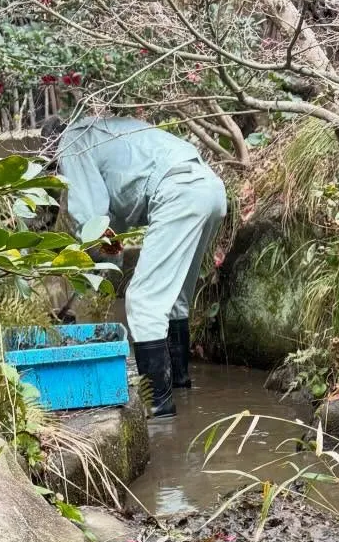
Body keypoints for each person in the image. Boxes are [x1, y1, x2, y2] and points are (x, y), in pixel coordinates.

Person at [47, 113, 227, 416]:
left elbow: (91, 218)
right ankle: (180, 388)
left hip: (177, 193)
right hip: (209, 189)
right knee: (174, 301)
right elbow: (111, 224)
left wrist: (90, 262)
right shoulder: (104, 130)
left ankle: (158, 410)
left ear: (52, 147)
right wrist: (108, 251)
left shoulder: (72, 140)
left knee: (143, 302)